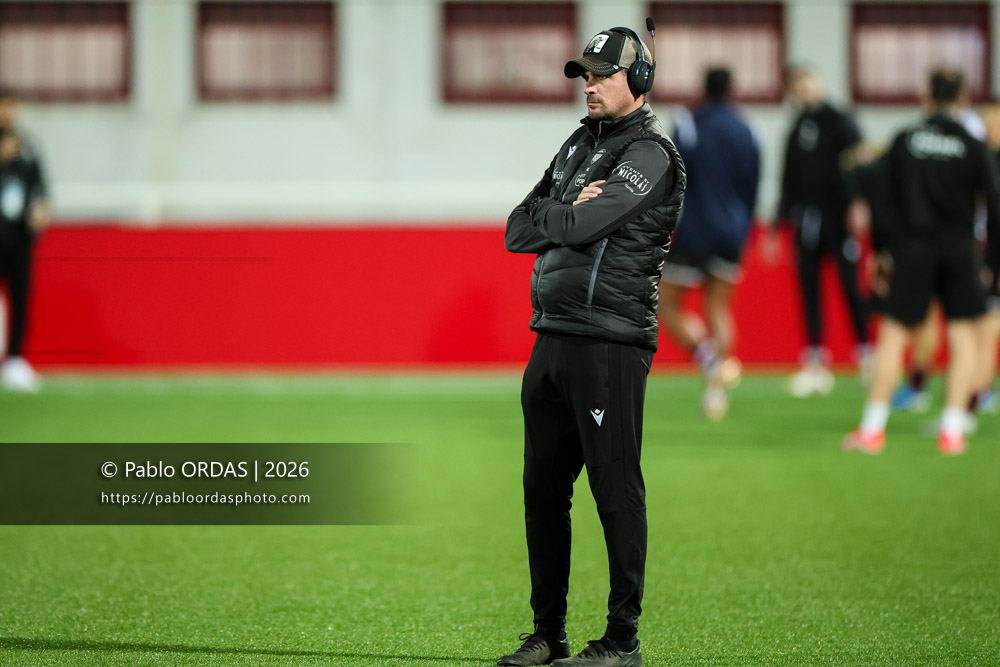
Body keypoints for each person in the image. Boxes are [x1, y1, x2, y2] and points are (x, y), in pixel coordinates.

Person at [501, 24, 685, 667]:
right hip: (551, 336)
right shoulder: (579, 142)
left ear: (638, 81)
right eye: (586, 74)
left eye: (604, 74)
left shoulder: (653, 154)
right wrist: (565, 213)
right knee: (542, 494)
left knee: (614, 489)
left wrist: (567, 214)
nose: (591, 85)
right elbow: (516, 228)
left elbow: (579, 223)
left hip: (610, 342)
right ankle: (547, 634)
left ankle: (621, 641)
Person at [843, 68, 1000, 455]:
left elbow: (881, 198)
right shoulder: (973, 143)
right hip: (960, 249)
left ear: (926, 96)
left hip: (913, 248)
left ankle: (872, 430)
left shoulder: (906, 140)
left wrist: (882, 250)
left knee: (895, 337)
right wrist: (991, 260)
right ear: (962, 98)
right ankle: (951, 432)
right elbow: (995, 206)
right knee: (963, 336)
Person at [660, 67, 760, 420]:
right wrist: (744, 229)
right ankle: (716, 395)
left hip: (695, 228)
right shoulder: (747, 128)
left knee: (666, 302)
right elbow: (753, 186)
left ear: (704, 89)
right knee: (719, 308)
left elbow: (672, 177)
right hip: (732, 230)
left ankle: (707, 359)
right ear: (732, 89)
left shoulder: (688, 123)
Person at [772, 66, 871, 397]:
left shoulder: (841, 121)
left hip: (838, 220)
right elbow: (787, 180)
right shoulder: (797, 127)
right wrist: (777, 225)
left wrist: (860, 202)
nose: (805, 90)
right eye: (798, 85)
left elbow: (860, 161)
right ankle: (815, 361)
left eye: (808, 82)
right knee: (810, 290)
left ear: (819, 83)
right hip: (806, 221)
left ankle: (866, 354)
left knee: (850, 286)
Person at [0, 86, 49, 392]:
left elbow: (40, 187)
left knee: (21, 297)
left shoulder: (26, 145)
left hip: (19, 239)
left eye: (13, 106)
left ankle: (16, 361)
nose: (10, 112)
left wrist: (42, 208)